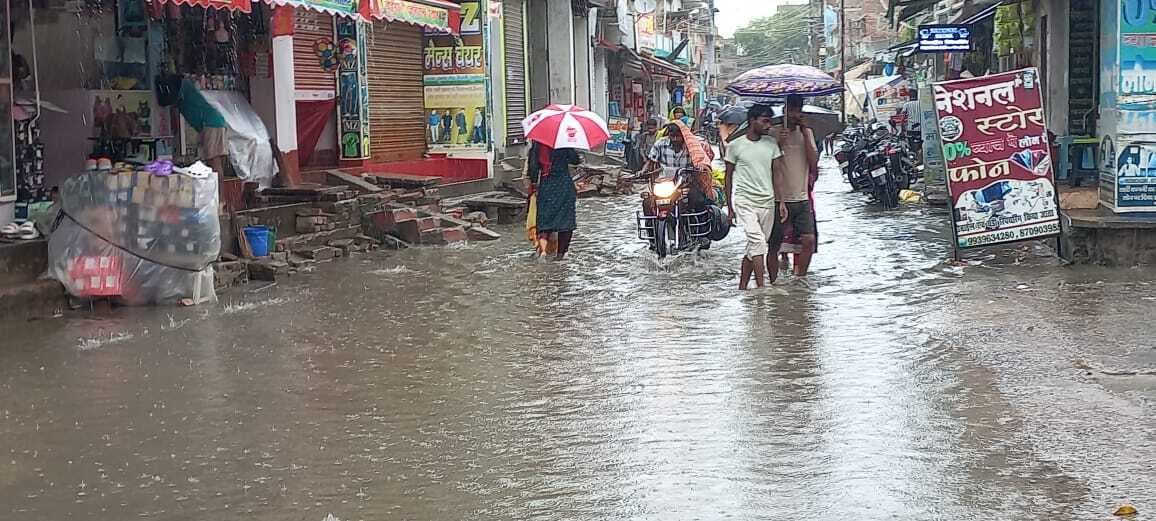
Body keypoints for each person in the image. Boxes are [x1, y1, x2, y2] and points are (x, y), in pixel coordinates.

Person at [724, 104, 784, 290]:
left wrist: (781, 202)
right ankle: (761, 288)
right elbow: (728, 177)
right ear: (752, 121)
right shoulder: (735, 145)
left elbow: (777, 174)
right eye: (764, 121)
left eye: (770, 121)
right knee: (758, 243)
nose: (768, 125)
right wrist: (730, 207)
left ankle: (742, 286)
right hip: (744, 201)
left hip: (767, 202)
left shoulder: (772, 144)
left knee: (754, 247)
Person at [768, 95, 819, 281]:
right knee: (774, 244)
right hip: (779, 199)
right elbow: (767, 163)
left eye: (798, 110)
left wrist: (805, 133)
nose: (795, 114)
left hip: (802, 197)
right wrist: (778, 143)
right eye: (792, 109)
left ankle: (799, 279)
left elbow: (814, 163)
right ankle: (772, 282)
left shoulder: (808, 133)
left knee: (808, 240)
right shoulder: (773, 132)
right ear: (784, 110)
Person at [527, 142, 581, 260]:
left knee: (544, 220)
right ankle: (562, 254)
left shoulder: (538, 144)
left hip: (547, 185)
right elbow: (575, 160)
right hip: (564, 186)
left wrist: (534, 184)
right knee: (566, 221)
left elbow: (533, 167)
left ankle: (543, 252)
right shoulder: (565, 143)